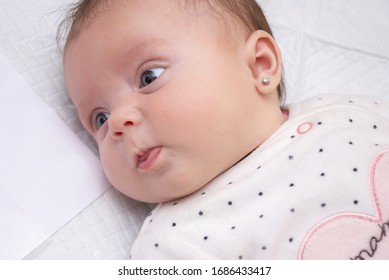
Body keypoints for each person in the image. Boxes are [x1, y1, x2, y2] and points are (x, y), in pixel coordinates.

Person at [60, 0, 389, 259]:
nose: (116, 122)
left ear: (258, 65)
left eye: (149, 77)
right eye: (99, 119)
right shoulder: (173, 246)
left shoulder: (345, 114)